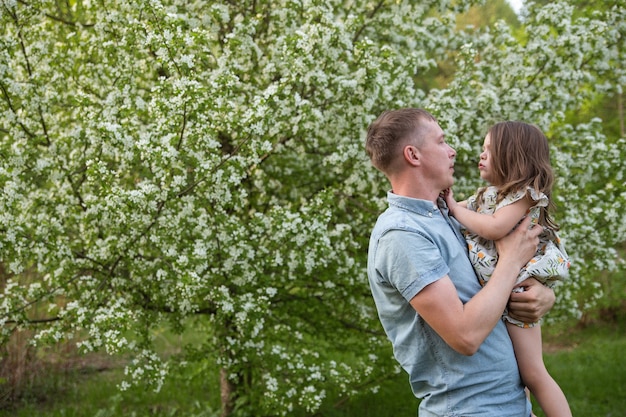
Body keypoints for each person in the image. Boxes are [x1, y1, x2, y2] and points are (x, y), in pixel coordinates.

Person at [365, 108, 556, 416]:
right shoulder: (401, 234)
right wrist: (511, 261)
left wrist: (543, 296)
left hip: (512, 407)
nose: (452, 150)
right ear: (413, 154)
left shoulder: (450, 217)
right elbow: (465, 336)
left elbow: (495, 285)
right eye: (441, 142)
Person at [443, 121, 572, 417]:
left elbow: (494, 227)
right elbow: (468, 212)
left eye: (490, 149)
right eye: (483, 149)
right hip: (500, 292)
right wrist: (451, 204)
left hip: (516, 293)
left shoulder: (524, 195)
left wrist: (455, 209)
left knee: (533, 373)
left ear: (512, 156)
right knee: (514, 368)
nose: (482, 154)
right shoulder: (490, 195)